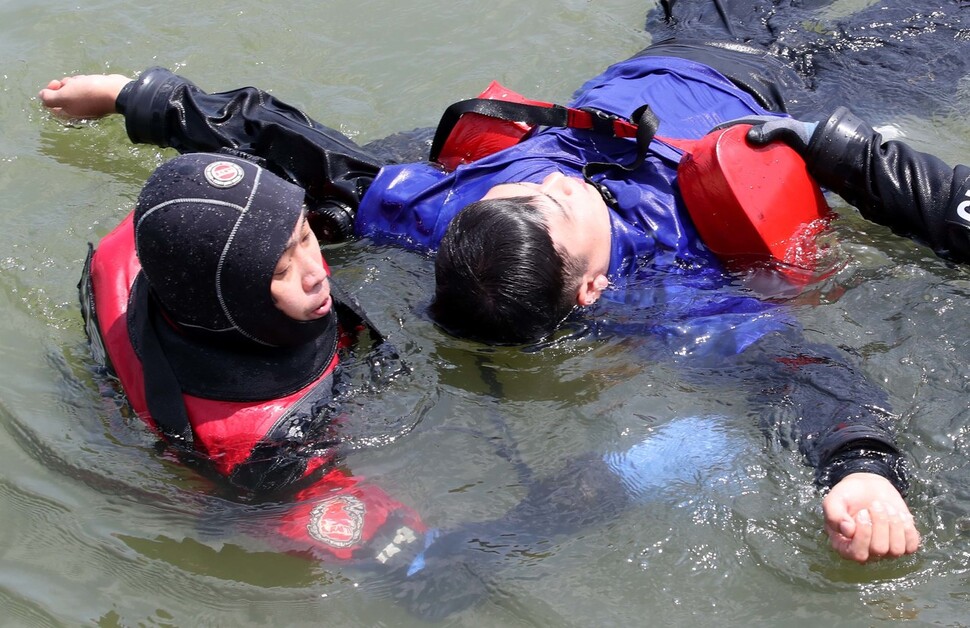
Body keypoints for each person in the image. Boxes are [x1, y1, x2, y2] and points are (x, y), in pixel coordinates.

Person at [42, 0, 961, 565]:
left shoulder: (432, 212)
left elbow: (296, 147)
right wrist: (859, 469)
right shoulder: (682, 300)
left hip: (690, 40)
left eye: (533, 188)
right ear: (593, 291)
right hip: (805, 101)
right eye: (564, 208)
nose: (558, 181)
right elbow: (801, 371)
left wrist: (143, 96)